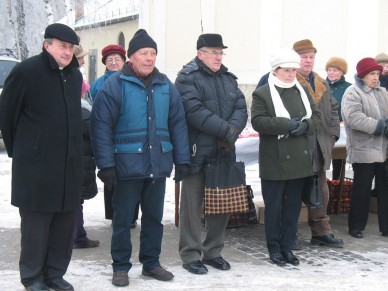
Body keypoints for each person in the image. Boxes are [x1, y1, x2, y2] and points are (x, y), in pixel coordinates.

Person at [90, 29, 190, 287]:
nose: (149, 58)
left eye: (153, 53)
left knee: (154, 218)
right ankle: (121, 266)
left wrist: (182, 160)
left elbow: (178, 123)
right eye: (144, 53)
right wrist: (106, 165)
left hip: (158, 165)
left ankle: (151, 263)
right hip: (125, 166)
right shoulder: (115, 85)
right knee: (122, 220)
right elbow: (100, 126)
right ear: (130, 58)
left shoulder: (165, 85)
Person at [0, 23, 83, 291]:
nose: (67, 52)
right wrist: (25, 150)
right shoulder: (26, 72)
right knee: (36, 227)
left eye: (70, 47)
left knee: (63, 225)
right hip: (36, 167)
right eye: (62, 46)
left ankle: (54, 274)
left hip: (68, 165)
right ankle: (33, 277)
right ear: (47, 45)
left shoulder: (74, 77)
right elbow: (7, 116)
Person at [174, 33, 248, 275]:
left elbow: (240, 106)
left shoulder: (228, 78)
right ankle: (190, 254)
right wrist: (226, 129)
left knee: (222, 204)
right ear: (200, 54)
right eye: (213, 52)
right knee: (192, 206)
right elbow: (193, 110)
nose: (218, 56)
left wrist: (233, 130)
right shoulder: (186, 78)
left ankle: (213, 251)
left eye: (220, 52)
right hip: (196, 151)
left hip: (224, 149)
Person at [251, 48, 321, 266]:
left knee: (293, 207)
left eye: (293, 70)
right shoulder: (262, 93)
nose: (291, 75)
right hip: (275, 159)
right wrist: (287, 124)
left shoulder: (302, 90)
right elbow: (258, 121)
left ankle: (287, 246)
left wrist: (306, 125)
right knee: (274, 207)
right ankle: (274, 248)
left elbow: (317, 117)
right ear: (276, 70)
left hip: (299, 159)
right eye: (287, 70)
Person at [291, 39, 344, 248]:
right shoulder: (288, 79)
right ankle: (290, 232)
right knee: (293, 191)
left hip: (320, 148)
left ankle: (321, 231)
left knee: (321, 192)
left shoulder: (321, 82)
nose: (308, 61)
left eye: (311, 57)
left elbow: (333, 110)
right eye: (304, 57)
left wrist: (332, 136)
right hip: (297, 147)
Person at [89, 44, 140, 227]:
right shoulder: (98, 84)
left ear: (123, 61)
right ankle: (114, 215)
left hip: (128, 137)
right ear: (104, 63)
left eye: (117, 59)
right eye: (109, 59)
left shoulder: (131, 80)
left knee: (131, 177)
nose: (113, 62)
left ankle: (132, 216)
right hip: (107, 136)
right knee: (111, 177)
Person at [341, 57, 388, 238]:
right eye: (371, 74)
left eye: (377, 74)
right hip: (364, 149)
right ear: (362, 75)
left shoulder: (383, 92)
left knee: (385, 190)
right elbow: (355, 119)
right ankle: (356, 226)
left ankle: (386, 227)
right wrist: (381, 126)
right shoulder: (352, 92)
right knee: (362, 189)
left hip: (383, 150)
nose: (375, 77)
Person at [72, 44, 100, 249]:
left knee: (76, 198)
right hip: (79, 150)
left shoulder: (79, 82)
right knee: (74, 198)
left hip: (83, 150)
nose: (83, 61)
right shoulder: (74, 83)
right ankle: (75, 236)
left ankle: (78, 235)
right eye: (80, 58)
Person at [325, 57, 351, 180]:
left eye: (335, 70)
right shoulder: (321, 85)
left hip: (340, 127)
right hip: (323, 127)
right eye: (329, 70)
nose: (331, 73)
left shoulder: (348, 88)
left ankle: (337, 186)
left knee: (339, 159)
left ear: (342, 72)